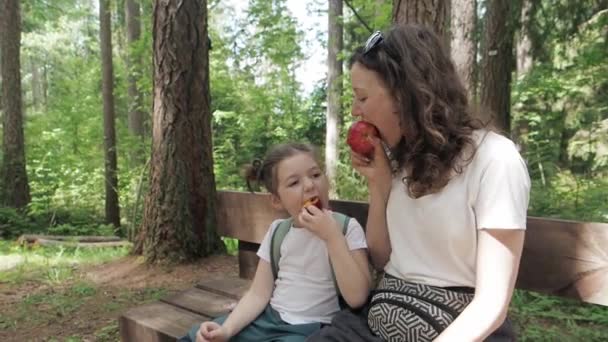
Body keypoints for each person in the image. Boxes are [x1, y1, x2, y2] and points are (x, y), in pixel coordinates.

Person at [308, 24, 530, 342]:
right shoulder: (405, 162)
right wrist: (380, 184)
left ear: (405, 93)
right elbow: (383, 259)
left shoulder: (495, 158)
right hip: (377, 323)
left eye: (362, 97)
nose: (356, 111)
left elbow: (491, 305)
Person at [180, 143, 372, 342]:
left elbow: (357, 297)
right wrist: (227, 330)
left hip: (309, 329)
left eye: (315, 175)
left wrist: (332, 237)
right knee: (198, 337)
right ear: (277, 200)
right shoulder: (278, 231)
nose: (309, 185)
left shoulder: (346, 228)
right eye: (294, 183)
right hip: (268, 320)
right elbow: (257, 294)